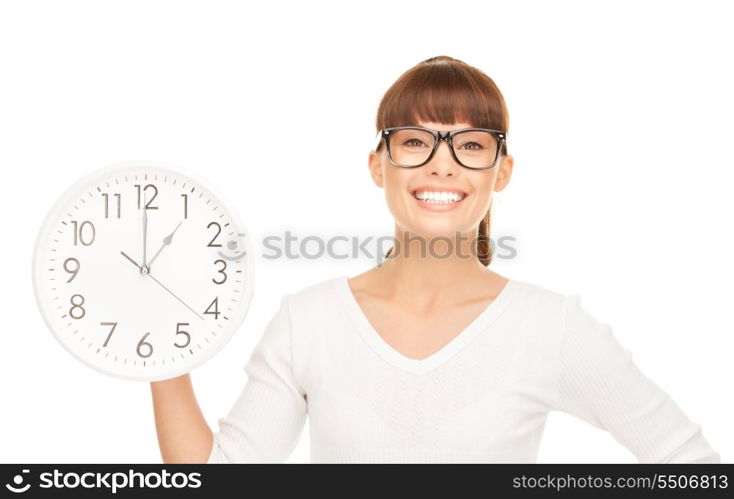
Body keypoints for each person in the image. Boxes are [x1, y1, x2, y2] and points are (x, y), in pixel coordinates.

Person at [150, 55, 720, 464]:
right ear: (379, 165)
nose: (442, 165)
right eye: (416, 141)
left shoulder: (552, 327)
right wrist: (156, 349)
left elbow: (687, 463)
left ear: (502, 171)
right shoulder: (309, 322)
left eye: (470, 144)